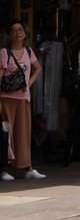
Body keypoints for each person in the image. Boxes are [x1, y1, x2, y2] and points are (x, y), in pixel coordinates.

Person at [0, 21, 43, 180]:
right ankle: (3, 169)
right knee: (6, 134)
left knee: (23, 133)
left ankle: (28, 167)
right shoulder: (4, 52)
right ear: (9, 35)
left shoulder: (28, 51)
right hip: (6, 98)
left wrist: (29, 82)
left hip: (23, 98)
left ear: (25, 33)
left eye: (20, 30)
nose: (17, 32)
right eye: (14, 30)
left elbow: (38, 68)